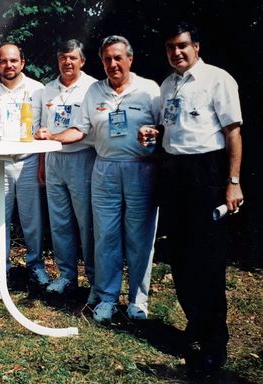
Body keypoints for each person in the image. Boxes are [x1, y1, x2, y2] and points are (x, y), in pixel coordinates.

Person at [138, 22, 243, 378]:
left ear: (196, 47)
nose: (176, 53)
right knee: (180, 256)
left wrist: (233, 182)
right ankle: (195, 326)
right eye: (170, 47)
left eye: (182, 46)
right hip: (175, 173)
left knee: (208, 260)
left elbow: (233, 133)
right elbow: (173, 127)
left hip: (207, 175)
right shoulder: (168, 85)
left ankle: (215, 344)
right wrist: (156, 132)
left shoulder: (218, 79)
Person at [65, 36, 160, 324]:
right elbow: (79, 130)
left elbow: (165, 128)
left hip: (140, 169)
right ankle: (107, 298)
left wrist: (154, 132)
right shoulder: (94, 91)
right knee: (105, 234)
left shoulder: (150, 90)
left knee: (139, 236)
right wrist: (49, 137)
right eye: (107, 59)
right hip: (104, 167)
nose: (113, 64)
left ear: (130, 59)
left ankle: (137, 301)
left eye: (118, 58)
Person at [0, 43, 46, 287]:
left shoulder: (38, 90)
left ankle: (35, 266)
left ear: (22, 63)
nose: (9, 65)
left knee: (31, 219)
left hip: (27, 162)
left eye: (13, 60)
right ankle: (1, 269)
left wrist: (42, 163)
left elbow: (45, 131)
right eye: (4, 61)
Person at [34, 39, 98, 299]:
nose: (67, 62)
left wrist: (54, 138)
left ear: (82, 61)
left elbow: (90, 129)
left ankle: (95, 281)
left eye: (72, 58)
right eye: (63, 57)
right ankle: (67, 275)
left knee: (86, 223)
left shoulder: (93, 88)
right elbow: (41, 129)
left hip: (81, 159)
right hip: (53, 160)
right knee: (59, 222)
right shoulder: (48, 90)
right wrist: (41, 162)